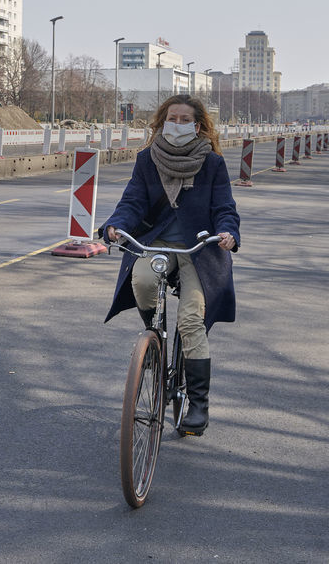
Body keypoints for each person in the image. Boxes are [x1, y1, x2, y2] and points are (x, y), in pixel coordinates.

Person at [100, 94, 240, 436]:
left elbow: (224, 206)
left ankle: (198, 405)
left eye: (184, 119)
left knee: (192, 319)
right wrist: (116, 225)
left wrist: (227, 232)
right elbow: (132, 200)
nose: (177, 124)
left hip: (199, 248)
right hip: (157, 243)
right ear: (162, 121)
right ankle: (155, 338)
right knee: (142, 281)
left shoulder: (212, 163)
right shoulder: (148, 158)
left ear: (198, 125)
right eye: (171, 118)